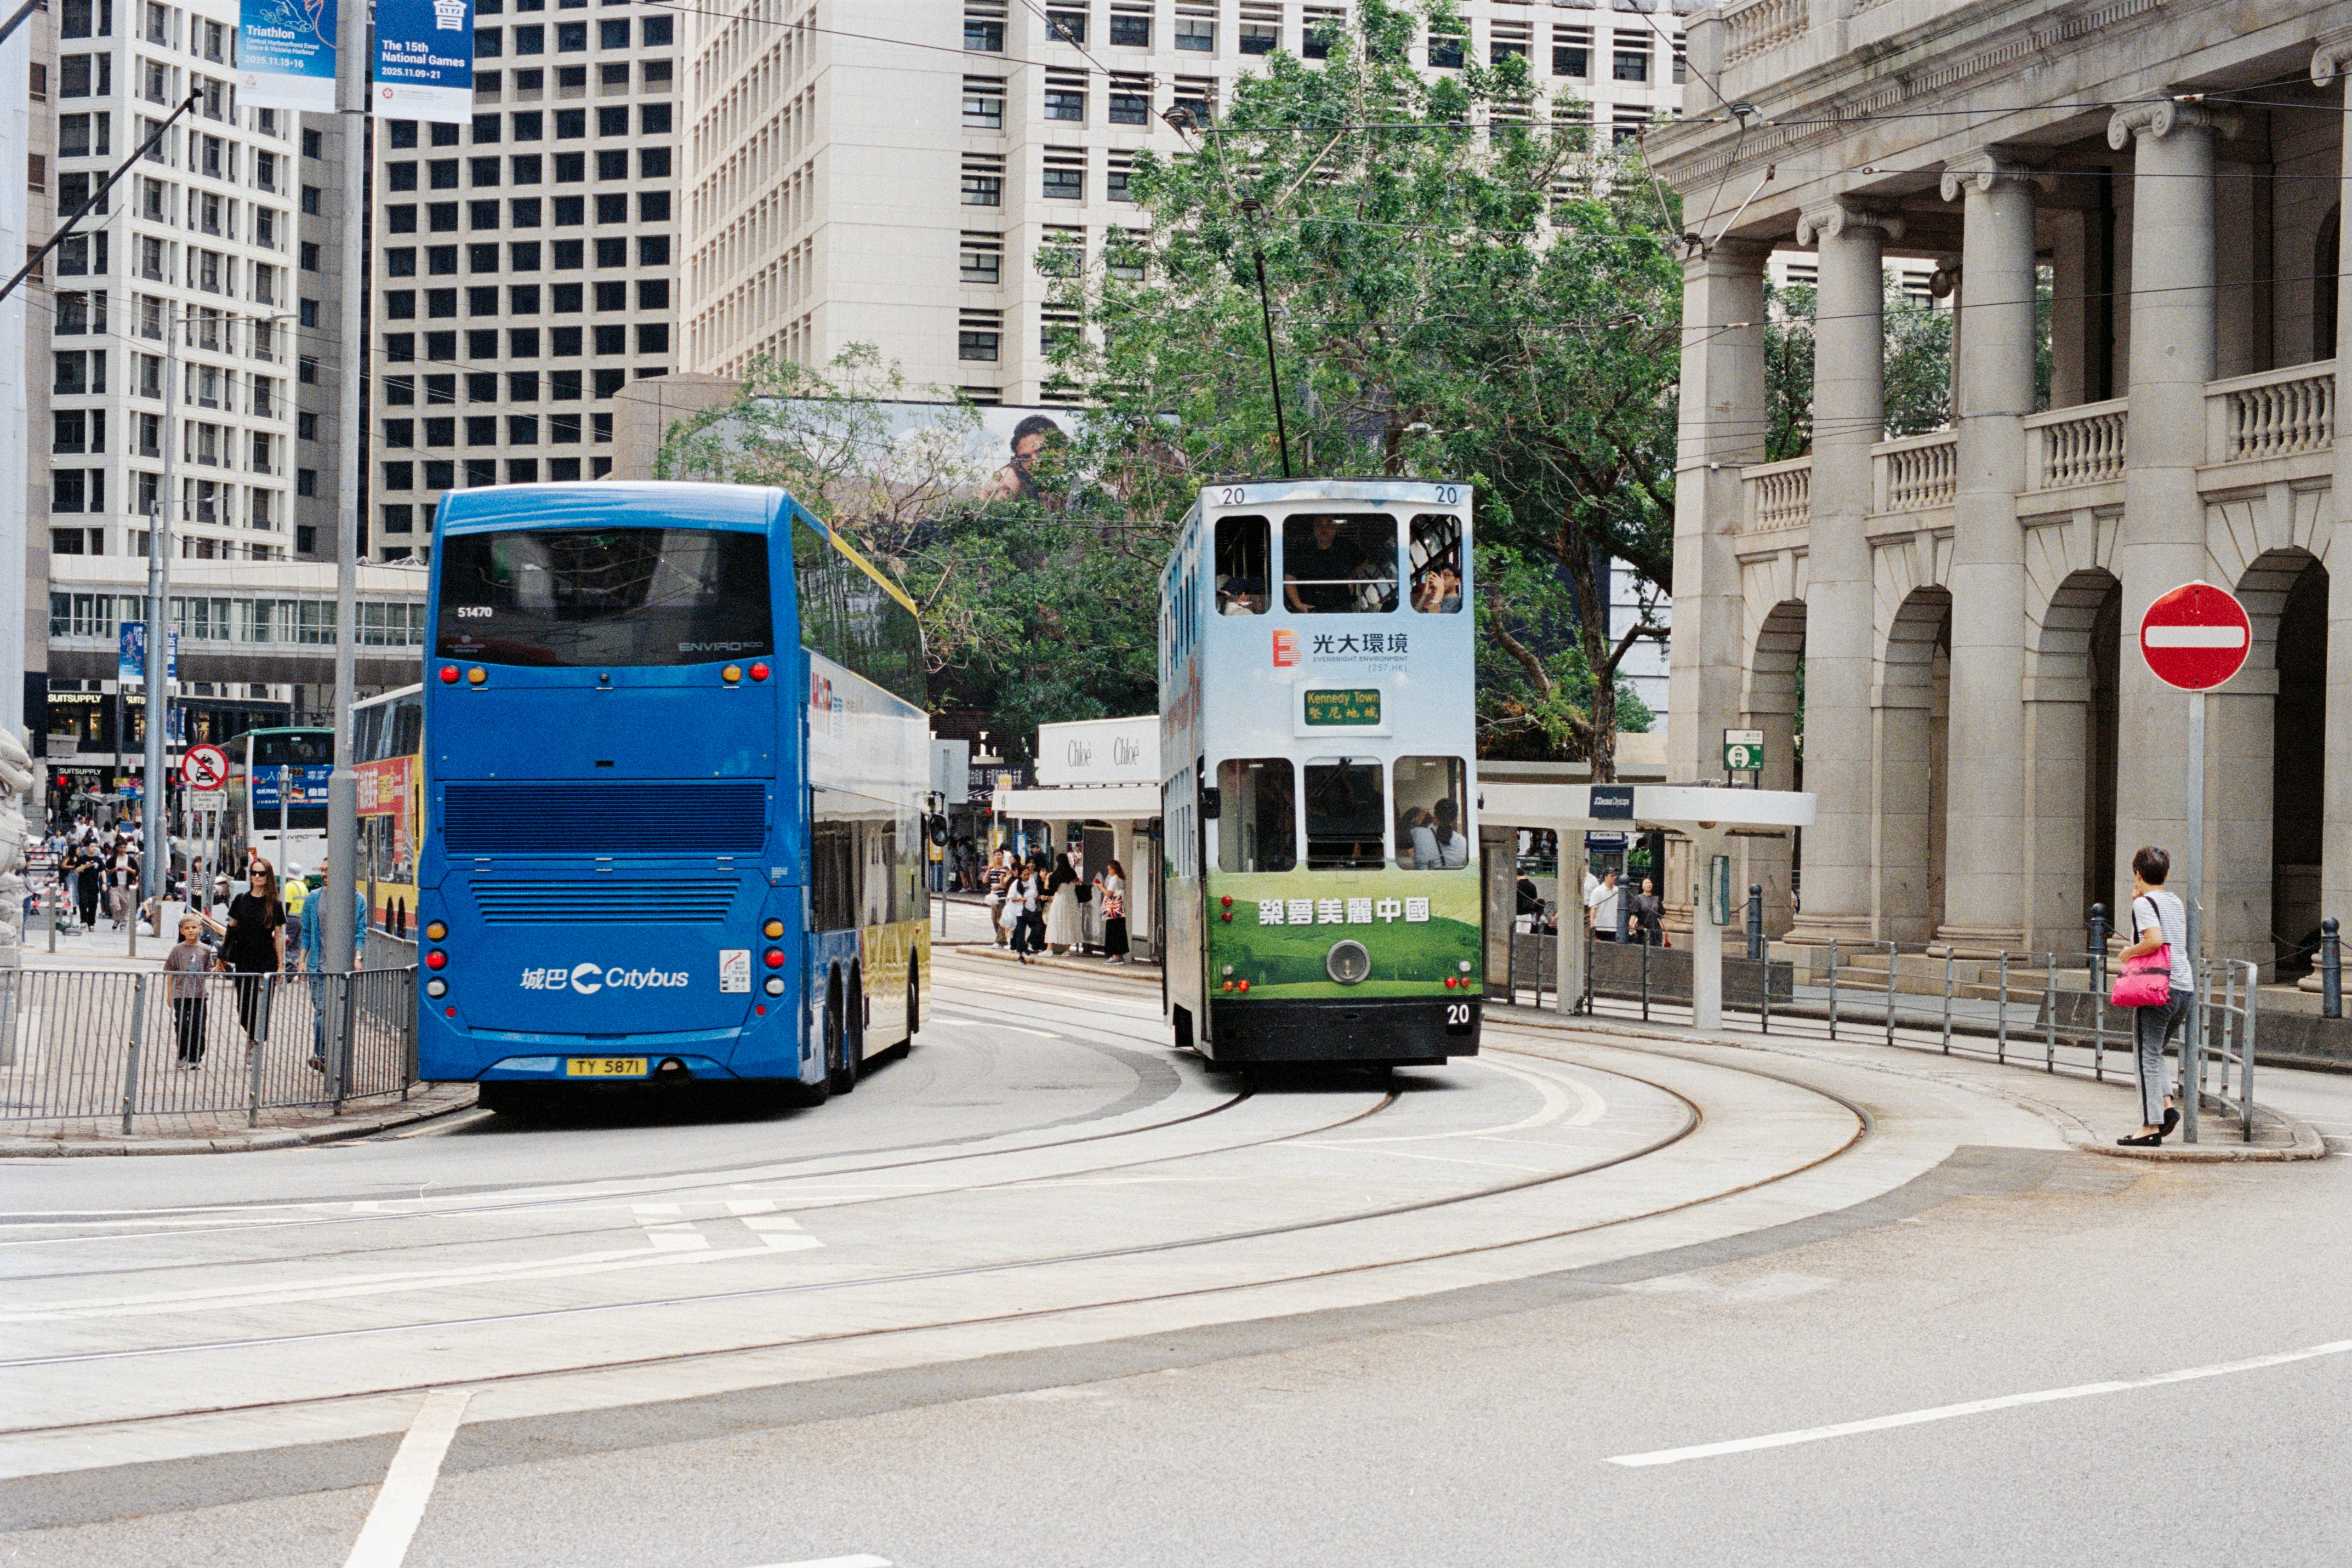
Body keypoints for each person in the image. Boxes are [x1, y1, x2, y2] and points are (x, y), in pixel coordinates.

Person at [2117, 844, 2192, 1146]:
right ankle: (2166, 1106)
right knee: (2155, 1050)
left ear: (2137, 873)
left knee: (2144, 1055)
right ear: (2166, 874)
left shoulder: (2143, 904)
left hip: (2158, 988)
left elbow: (2154, 940)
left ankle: (2150, 1127)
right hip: (2184, 987)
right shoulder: (2174, 901)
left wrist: (2127, 953)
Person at [296, 860, 369, 1071]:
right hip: (318, 967)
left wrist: (358, 957)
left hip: (343, 967)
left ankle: (335, 1056)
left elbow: (360, 932)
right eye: (322, 870)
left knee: (340, 1013)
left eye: (329, 870)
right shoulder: (313, 898)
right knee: (322, 1012)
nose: (324, 874)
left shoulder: (356, 899)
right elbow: (307, 932)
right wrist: (302, 960)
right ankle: (322, 1055)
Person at [219, 860, 287, 1053]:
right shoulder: (241, 900)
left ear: (268, 877)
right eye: (254, 873)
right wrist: (222, 956)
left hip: (266, 959)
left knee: (263, 1004)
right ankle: (252, 1034)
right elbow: (231, 928)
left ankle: (256, 1042)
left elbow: (279, 934)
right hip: (244, 958)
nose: (257, 876)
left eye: (262, 873)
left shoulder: (274, 904)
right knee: (244, 1007)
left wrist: (281, 965)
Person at [163, 913, 218, 1067]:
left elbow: (208, 970)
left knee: (198, 1026)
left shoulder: (205, 950)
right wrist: (170, 994)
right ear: (182, 931)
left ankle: (195, 1058)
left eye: (194, 927)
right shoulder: (177, 950)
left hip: (199, 995)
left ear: (200, 929)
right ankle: (182, 1054)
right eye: (187, 928)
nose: (191, 931)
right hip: (181, 994)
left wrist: (216, 970)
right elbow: (170, 973)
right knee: (182, 1025)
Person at [980, 413, 1067, 502]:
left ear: (1062, 449)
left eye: (1042, 452)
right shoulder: (1011, 479)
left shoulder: (1077, 485)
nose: (1035, 463)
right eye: (1025, 458)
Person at [1284, 517, 1364, 613]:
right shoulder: (1301, 551)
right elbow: (1290, 579)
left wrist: (1352, 576)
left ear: (1336, 526)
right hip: (1310, 610)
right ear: (1313, 527)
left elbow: (1364, 563)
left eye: (1329, 523)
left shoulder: (1347, 548)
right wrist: (1299, 605)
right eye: (1319, 524)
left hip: (1341, 609)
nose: (1324, 528)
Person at [1409, 797, 1470, 870]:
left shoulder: (1418, 833)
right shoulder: (1463, 841)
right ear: (1454, 820)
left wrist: (1416, 824)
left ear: (1435, 817)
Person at [1044, 853, 1080, 955]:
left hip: (1060, 900)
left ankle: (1050, 949)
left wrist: (1048, 878)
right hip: (1072, 901)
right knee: (1069, 924)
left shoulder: (1055, 875)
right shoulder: (1073, 873)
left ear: (1058, 862)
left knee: (1054, 923)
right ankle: (1067, 950)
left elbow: (1048, 888)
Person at [1007, 859, 1042, 963]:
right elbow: (1010, 898)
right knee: (1020, 934)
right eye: (1025, 875)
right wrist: (1021, 899)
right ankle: (1021, 956)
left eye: (1028, 874)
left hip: (1031, 910)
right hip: (1020, 912)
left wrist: (1036, 896)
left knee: (1037, 928)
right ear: (1020, 875)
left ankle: (1027, 943)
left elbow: (1035, 891)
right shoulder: (1016, 884)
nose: (1027, 876)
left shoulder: (1031, 881)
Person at [1097, 858, 1130, 963]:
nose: (1108, 872)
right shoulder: (1122, 879)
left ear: (1114, 869)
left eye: (1109, 869)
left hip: (1112, 910)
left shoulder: (1114, 879)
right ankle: (1120, 955)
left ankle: (1115, 956)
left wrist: (1101, 888)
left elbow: (1109, 894)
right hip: (1120, 909)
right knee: (1120, 932)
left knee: (1113, 932)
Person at [983, 849, 1013, 948]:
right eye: (996, 855)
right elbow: (985, 881)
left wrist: (999, 885)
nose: (998, 857)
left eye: (1000, 855)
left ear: (1003, 857)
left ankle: (999, 941)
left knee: (1001, 920)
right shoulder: (992, 870)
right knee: (995, 919)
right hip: (993, 899)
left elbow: (1004, 885)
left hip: (1002, 898)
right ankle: (1002, 940)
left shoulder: (1006, 870)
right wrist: (988, 870)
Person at [1626, 875, 1665, 946]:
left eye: (1650, 883)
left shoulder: (1657, 899)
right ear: (1642, 886)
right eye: (1646, 883)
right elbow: (1634, 914)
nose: (1648, 885)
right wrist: (1630, 925)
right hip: (1643, 928)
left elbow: (1661, 915)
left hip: (1656, 929)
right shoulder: (1639, 898)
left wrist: (1665, 927)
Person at [1586, 868, 1621, 941]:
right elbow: (1593, 909)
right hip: (1601, 927)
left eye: (1615, 876)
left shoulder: (1619, 891)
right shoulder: (1597, 891)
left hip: (1615, 927)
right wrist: (1592, 925)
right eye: (1612, 876)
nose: (1615, 878)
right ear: (1606, 877)